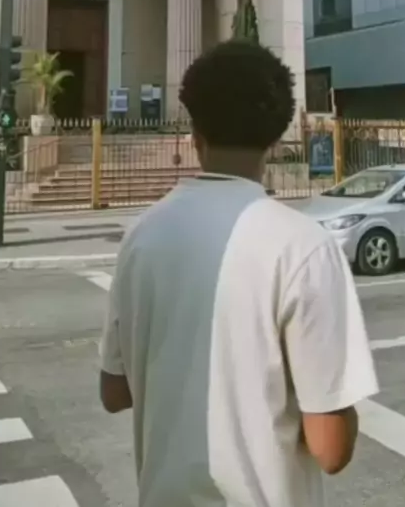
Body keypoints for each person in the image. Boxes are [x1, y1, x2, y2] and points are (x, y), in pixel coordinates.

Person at [99, 41, 378, 507]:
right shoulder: (303, 245)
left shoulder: (141, 237)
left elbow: (114, 390)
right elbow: (331, 448)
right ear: (275, 139)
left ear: (194, 134)